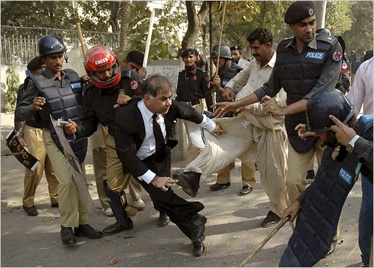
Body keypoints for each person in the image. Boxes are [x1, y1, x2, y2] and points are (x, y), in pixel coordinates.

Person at [213, 1, 343, 252]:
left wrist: (282, 110)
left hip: (328, 128)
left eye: (312, 23)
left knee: (327, 185)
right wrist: (235, 105)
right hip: (298, 130)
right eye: (303, 25)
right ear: (292, 26)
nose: (309, 28)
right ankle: (305, 232)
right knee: (294, 182)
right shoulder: (284, 49)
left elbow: (320, 92)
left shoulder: (331, 47)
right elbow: (269, 88)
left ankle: (330, 236)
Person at [174, 28, 289, 227]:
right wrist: (228, 87)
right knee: (220, 136)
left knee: (273, 173)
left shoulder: (282, 67)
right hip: (247, 120)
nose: (252, 52)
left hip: (270, 126)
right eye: (251, 48)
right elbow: (238, 77)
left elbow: (275, 103)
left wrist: (240, 104)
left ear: (268, 46)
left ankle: (279, 210)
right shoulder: (254, 63)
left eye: (256, 48)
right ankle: (194, 174)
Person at [113, 74, 223, 257]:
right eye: (163, 98)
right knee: (162, 198)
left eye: (170, 97)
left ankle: (196, 233)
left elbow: (188, 111)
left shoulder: (168, 107)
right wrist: (153, 178)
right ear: (147, 99)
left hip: (162, 155)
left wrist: (211, 126)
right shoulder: (126, 116)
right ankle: (195, 219)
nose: (169, 103)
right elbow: (127, 156)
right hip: (141, 162)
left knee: (163, 198)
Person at [66, 45, 170, 232]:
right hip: (116, 142)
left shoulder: (131, 79)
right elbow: (89, 123)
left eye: (109, 68)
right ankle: (123, 221)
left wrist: (133, 100)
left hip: (144, 138)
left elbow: (155, 103)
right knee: (112, 187)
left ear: (115, 64)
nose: (106, 74)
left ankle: (164, 211)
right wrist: (77, 129)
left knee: (155, 179)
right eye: (100, 72)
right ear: (91, 73)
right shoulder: (90, 93)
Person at [15, 34, 102, 245]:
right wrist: (31, 107)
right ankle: (66, 226)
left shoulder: (73, 77)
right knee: (65, 180)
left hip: (75, 134)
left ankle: (82, 223)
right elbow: (19, 112)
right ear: (43, 59)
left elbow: (85, 102)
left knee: (79, 178)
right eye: (52, 57)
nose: (57, 61)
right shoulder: (35, 82)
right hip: (52, 135)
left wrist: (90, 84)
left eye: (60, 56)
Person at [280, 89, 373, 267]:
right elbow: (325, 182)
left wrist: (354, 142)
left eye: (320, 132)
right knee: (367, 231)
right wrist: (299, 202)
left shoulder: (367, 132)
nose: (319, 137)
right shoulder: (340, 140)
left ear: (334, 126)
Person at [15, 56, 59, 216]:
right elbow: (19, 111)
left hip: (51, 128)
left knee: (53, 166)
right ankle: (28, 201)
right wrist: (18, 133)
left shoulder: (54, 82)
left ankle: (56, 198)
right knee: (35, 167)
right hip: (33, 129)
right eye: (40, 69)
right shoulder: (27, 86)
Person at [347, 55, 373, 267]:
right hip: (370, 147)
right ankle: (367, 258)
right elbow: (351, 108)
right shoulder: (367, 68)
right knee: (371, 204)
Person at [175, 48, 213, 163]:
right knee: (190, 139)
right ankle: (197, 165)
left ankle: (192, 167)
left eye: (191, 57)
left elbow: (207, 94)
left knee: (195, 140)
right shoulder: (181, 75)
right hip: (184, 108)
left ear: (196, 58)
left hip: (197, 108)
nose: (188, 59)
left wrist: (212, 110)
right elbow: (179, 94)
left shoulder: (201, 74)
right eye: (186, 57)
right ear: (183, 59)